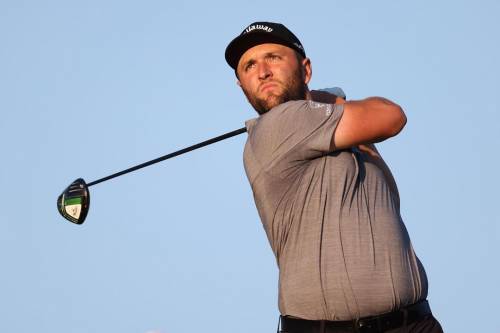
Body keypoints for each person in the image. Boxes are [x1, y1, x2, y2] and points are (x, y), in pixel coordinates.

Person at [224, 22, 443, 333]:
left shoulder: (342, 136)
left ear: (306, 69)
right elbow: (392, 116)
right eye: (249, 66)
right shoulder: (280, 125)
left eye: (272, 57)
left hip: (414, 324)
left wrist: (325, 102)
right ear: (241, 85)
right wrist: (334, 100)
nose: (262, 72)